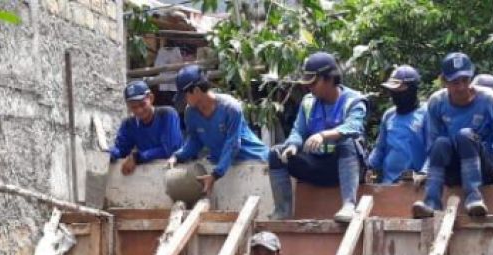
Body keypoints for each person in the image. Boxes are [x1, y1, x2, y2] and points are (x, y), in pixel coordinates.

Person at [412, 52, 493, 219]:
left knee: (465, 135)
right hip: (456, 166)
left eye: (465, 80)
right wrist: (425, 170)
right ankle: (431, 202)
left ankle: (474, 197)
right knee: (442, 142)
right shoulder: (437, 102)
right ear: (444, 81)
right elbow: (434, 143)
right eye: (455, 82)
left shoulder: (489, 100)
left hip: (485, 166)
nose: (461, 87)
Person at [270, 51, 368, 223]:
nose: (309, 87)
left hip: (345, 168)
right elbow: (298, 130)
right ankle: (282, 212)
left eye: (313, 83)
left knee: (348, 143)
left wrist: (324, 135)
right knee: (276, 153)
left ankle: (349, 205)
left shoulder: (354, 100)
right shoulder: (308, 102)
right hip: (317, 166)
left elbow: (354, 127)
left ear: (329, 79)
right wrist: (292, 145)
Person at [169, 65, 268, 197]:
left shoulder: (230, 108)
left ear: (197, 90)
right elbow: (195, 141)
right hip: (222, 164)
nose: (184, 100)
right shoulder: (190, 113)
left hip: (253, 160)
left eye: (185, 95)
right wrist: (177, 156)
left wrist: (216, 174)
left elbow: (233, 144)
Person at [367, 65, 428, 186]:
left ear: (411, 90)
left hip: (415, 184)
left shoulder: (427, 113)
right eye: (393, 91)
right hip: (388, 184)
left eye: (399, 90)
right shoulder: (389, 115)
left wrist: (424, 173)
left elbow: (434, 151)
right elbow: (380, 149)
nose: (395, 94)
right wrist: (370, 170)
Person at [110, 80, 184, 175]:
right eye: (133, 107)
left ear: (151, 98)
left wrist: (138, 157)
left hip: (174, 172)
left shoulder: (167, 114)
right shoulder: (129, 124)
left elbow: (171, 149)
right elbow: (121, 149)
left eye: (142, 104)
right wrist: (110, 155)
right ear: (128, 106)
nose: (139, 110)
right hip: (148, 175)